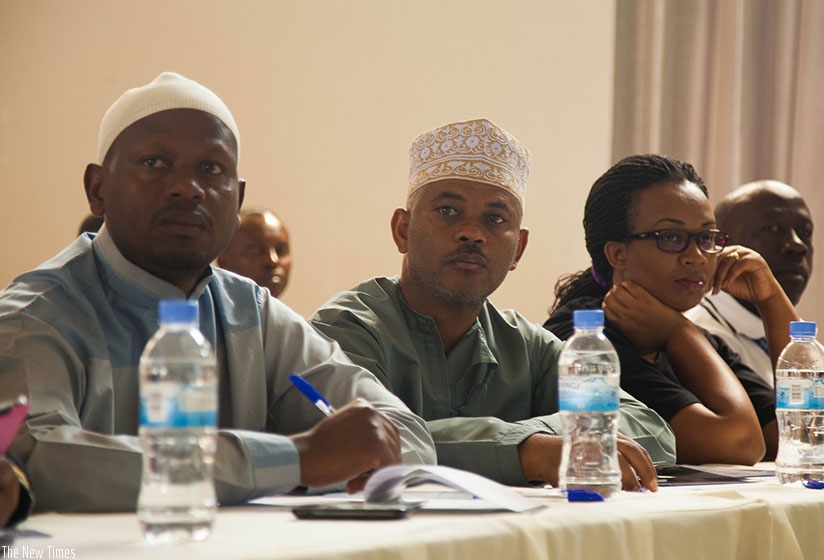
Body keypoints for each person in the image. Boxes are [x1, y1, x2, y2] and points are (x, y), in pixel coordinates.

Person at [0, 72, 435, 513]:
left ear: (237, 198)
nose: (187, 187)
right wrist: (296, 460)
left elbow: (404, 436)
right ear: (97, 189)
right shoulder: (34, 316)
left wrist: (326, 459)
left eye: (212, 169)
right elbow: (38, 461)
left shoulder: (253, 313)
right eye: (154, 163)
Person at [311, 119, 675, 492]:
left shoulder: (526, 347)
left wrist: (536, 442)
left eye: (495, 218)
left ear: (518, 248)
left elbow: (651, 430)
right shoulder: (344, 330)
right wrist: (529, 451)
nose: (472, 232)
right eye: (448, 211)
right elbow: (355, 445)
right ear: (402, 230)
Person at [545, 154, 798, 465]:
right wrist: (679, 331)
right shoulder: (582, 340)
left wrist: (770, 299)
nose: (696, 257)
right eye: (671, 238)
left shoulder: (691, 337)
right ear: (617, 254)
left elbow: (804, 436)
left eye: (706, 238)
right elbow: (739, 444)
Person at [685, 180, 814, 386]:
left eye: (805, 232)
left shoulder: (792, 328)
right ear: (720, 245)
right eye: (771, 229)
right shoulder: (705, 334)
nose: (798, 246)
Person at [216, 208, 292, 298]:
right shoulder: (203, 310)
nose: (273, 261)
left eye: (281, 251)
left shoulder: (285, 312)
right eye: (256, 250)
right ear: (223, 260)